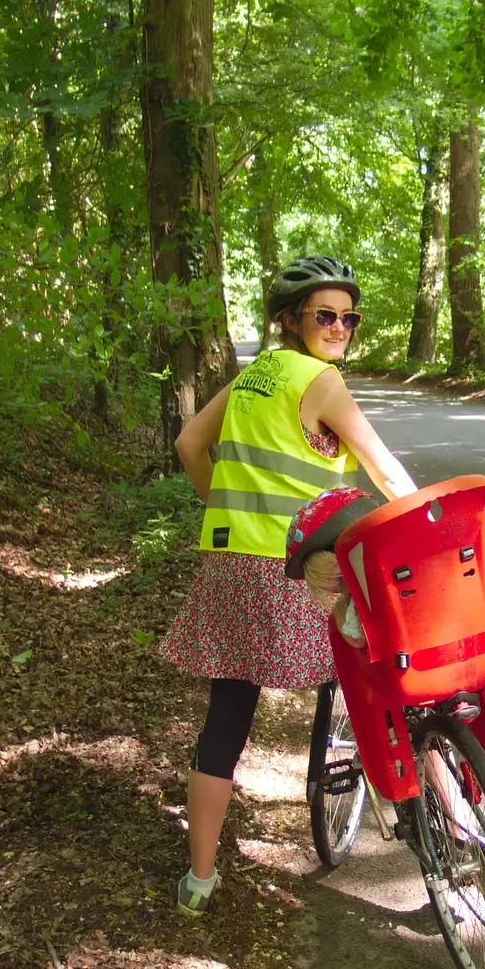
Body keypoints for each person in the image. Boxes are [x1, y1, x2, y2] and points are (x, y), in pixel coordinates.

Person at [159, 256, 417, 916]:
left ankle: (200, 881)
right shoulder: (319, 380)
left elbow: (191, 443)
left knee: (227, 714)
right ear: (289, 321)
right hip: (295, 571)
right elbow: (384, 470)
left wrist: (225, 510)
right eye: (324, 315)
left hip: (230, 564)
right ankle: (430, 837)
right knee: (387, 672)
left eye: (348, 318)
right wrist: (426, 522)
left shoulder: (253, 378)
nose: (339, 327)